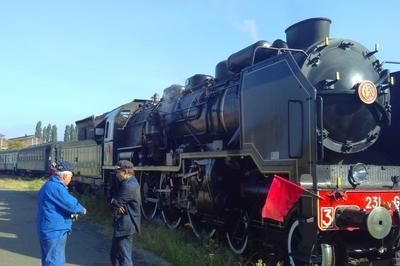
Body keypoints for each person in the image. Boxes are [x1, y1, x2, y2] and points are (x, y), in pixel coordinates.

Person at [37, 161, 87, 266]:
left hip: (49, 227)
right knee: (54, 260)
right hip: (55, 230)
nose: (71, 179)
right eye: (70, 176)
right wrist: (82, 210)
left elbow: (62, 208)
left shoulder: (49, 184)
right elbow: (71, 205)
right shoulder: (57, 188)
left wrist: (74, 218)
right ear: (65, 176)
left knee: (49, 259)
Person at [110, 160, 141, 266]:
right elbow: (113, 198)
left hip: (126, 225)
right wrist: (114, 202)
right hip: (121, 223)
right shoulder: (125, 183)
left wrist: (114, 202)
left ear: (126, 171)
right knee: (115, 255)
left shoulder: (129, 186)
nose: (116, 174)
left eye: (118, 172)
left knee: (124, 257)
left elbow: (115, 202)